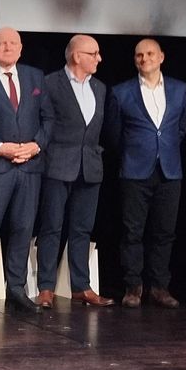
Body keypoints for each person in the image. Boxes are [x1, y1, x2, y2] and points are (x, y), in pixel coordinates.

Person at [0, 27, 51, 316]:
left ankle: (16, 288)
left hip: (30, 167)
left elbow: (48, 119)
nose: (7, 47)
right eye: (1, 43)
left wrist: (36, 145)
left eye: (13, 43)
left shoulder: (35, 77)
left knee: (23, 228)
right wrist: (0, 147)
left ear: (21, 48)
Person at [104, 38, 186, 309]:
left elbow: (180, 128)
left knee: (164, 232)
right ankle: (133, 286)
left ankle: (159, 287)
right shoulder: (121, 92)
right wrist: (135, 152)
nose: (144, 59)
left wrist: (162, 149)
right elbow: (114, 134)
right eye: (139, 55)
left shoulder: (180, 89)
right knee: (132, 232)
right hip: (134, 171)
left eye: (150, 54)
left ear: (161, 57)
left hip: (169, 170)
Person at [36, 35, 112, 309]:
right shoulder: (50, 83)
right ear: (77, 56)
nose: (99, 58)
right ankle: (46, 287)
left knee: (82, 229)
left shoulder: (100, 88)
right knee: (51, 227)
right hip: (57, 165)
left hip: (90, 167)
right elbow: (43, 123)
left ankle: (81, 287)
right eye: (94, 53)